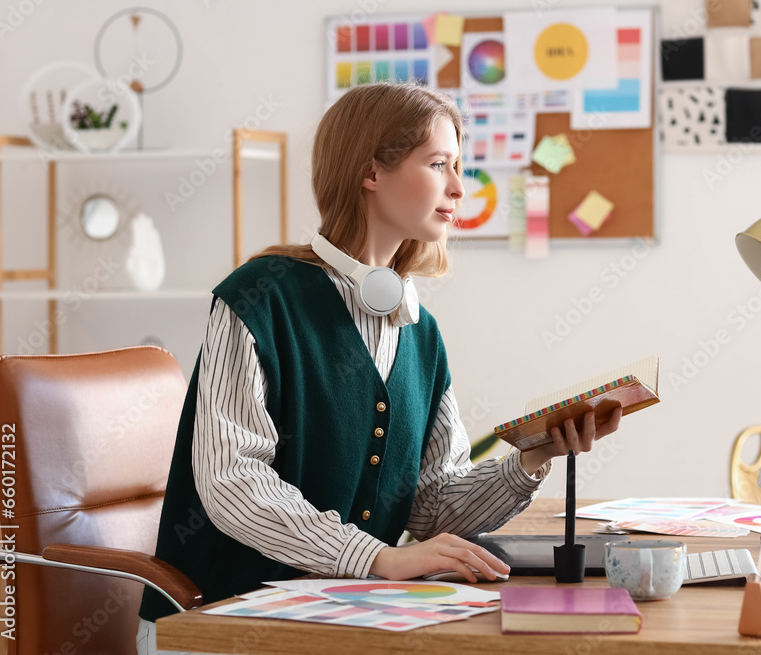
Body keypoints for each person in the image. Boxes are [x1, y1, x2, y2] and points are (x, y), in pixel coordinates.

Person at [135, 83, 622, 651]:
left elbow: (433, 503)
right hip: (222, 620)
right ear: (371, 173)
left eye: (458, 167)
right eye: (439, 164)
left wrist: (535, 456)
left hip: (348, 614)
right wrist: (379, 558)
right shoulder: (257, 300)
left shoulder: (421, 333)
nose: (460, 188)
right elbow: (233, 483)